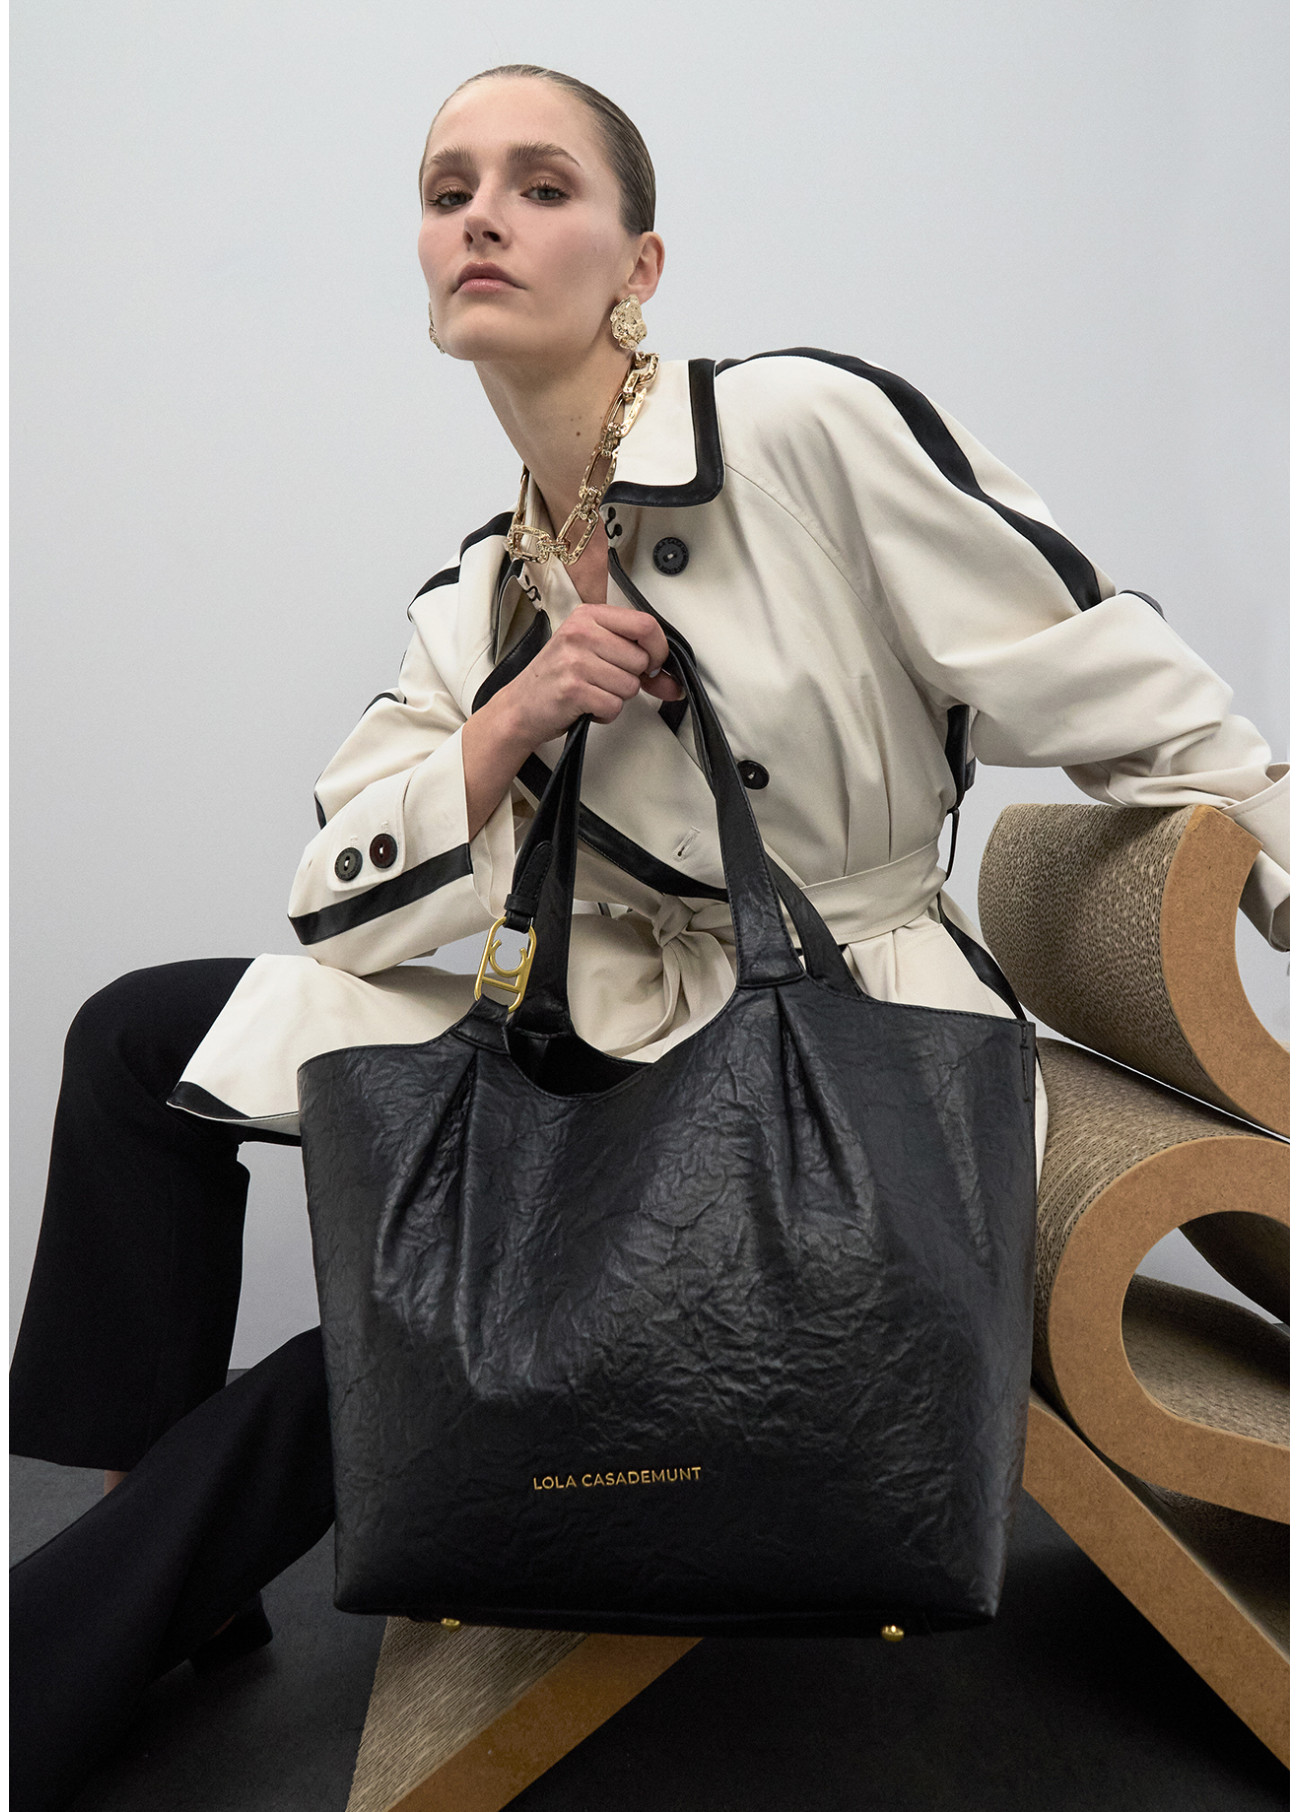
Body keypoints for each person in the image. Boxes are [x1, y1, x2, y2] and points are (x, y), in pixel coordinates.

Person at [9, 62, 1289, 1810]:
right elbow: (337, 890)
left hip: (840, 1042)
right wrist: (515, 713)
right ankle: (147, 1538)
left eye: (541, 185)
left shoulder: (798, 430)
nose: (481, 215)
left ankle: (47, 1664)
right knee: (135, 1037)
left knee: (415, 1329)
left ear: (641, 263)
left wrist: (1270, 840)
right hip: (600, 1012)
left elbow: (1096, 664)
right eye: (449, 189)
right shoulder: (482, 585)